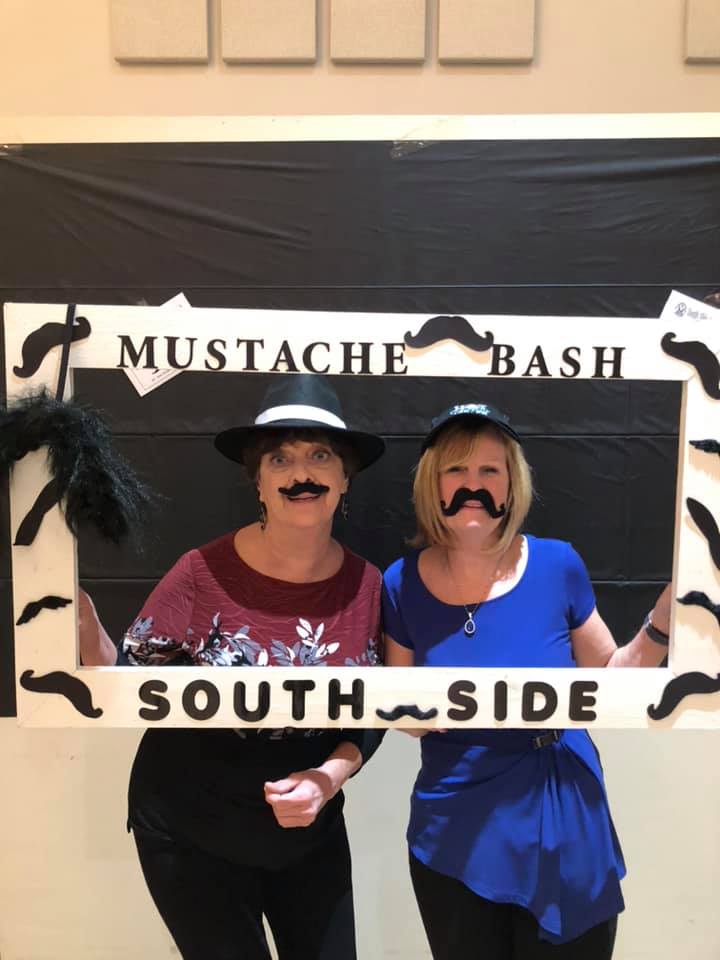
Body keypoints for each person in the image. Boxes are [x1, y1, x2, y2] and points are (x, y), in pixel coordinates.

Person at [79, 374, 386, 960]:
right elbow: (129, 681)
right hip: (190, 825)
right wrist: (77, 618)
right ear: (258, 482)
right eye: (280, 458)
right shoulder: (200, 573)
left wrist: (328, 778)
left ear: (345, 478)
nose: (301, 473)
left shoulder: (368, 586)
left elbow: (374, 713)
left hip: (308, 829)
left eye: (321, 455)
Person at [382, 401, 672, 960]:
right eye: (456, 470)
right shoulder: (400, 583)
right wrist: (421, 714)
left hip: (562, 814)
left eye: (489, 470)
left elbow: (610, 683)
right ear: (432, 484)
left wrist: (665, 617)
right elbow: (398, 709)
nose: (473, 486)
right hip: (454, 827)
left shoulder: (557, 566)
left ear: (512, 483)